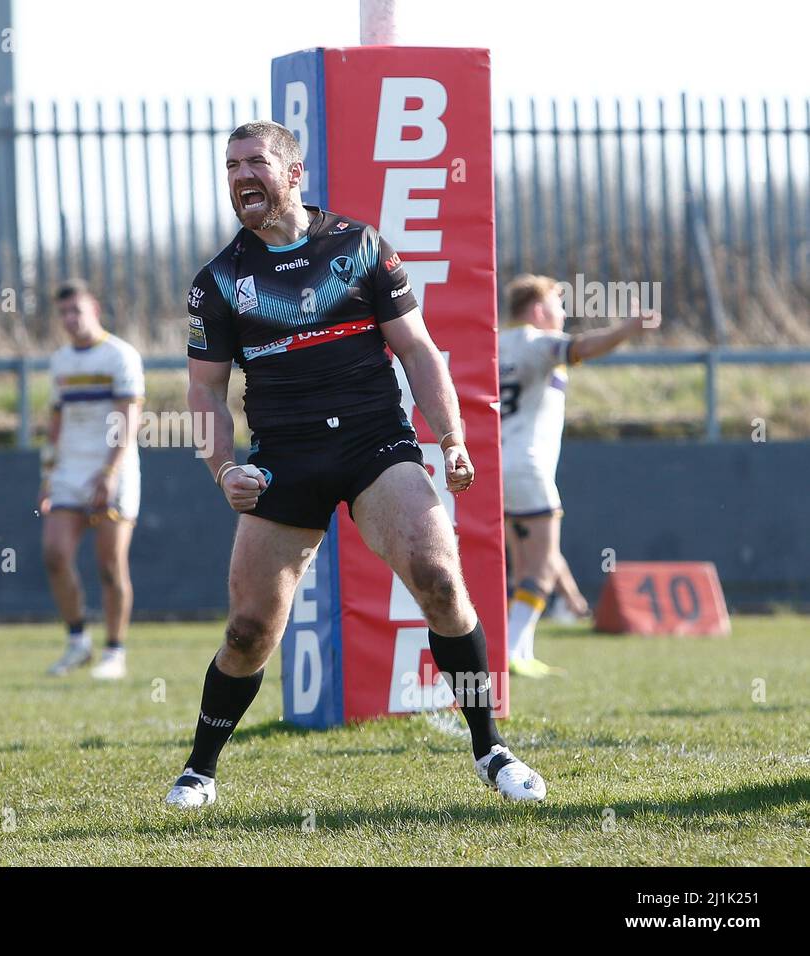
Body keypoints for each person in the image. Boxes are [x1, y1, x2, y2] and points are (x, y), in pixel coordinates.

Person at [166, 120, 547, 808]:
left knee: (437, 580)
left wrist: (451, 438)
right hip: (285, 459)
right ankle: (199, 770)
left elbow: (419, 350)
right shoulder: (218, 281)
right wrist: (224, 470)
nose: (241, 177)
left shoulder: (361, 245)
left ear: (293, 173)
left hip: (375, 443)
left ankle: (491, 749)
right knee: (248, 633)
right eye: (230, 167)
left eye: (255, 163)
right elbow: (203, 391)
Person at [499, 274, 658, 677]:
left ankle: (522, 651)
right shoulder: (535, 342)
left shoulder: (495, 343)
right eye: (557, 304)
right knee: (542, 567)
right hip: (529, 466)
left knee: (524, 565)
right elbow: (583, 347)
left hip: (499, 466)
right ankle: (512, 651)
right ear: (537, 311)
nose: (564, 312)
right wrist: (629, 328)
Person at [39, 280, 144, 680]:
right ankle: (78, 641)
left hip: (111, 470)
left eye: (76, 311)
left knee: (109, 565)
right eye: (63, 313)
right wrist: (48, 472)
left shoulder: (120, 355)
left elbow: (127, 418)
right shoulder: (61, 361)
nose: (70, 319)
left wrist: (110, 472)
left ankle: (114, 651)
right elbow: (55, 420)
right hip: (69, 472)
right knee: (54, 554)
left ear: (94, 309)